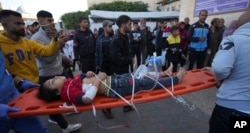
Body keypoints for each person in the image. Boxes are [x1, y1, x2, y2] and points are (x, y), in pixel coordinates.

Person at [31, 10, 82, 133]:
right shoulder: (36, 39)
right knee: (52, 104)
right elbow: (47, 59)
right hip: (48, 75)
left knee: (65, 92)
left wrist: (65, 57)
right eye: (49, 21)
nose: (52, 23)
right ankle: (64, 127)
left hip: (59, 70)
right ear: (40, 22)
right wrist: (58, 44)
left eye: (52, 20)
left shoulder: (52, 34)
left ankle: (61, 112)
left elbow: (57, 52)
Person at [38, 64, 186, 105]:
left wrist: (88, 74)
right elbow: (87, 99)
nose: (56, 76)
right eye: (53, 81)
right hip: (116, 87)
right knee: (144, 83)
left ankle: (164, 73)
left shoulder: (68, 84)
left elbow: (82, 80)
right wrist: (97, 80)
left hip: (114, 81)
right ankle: (175, 79)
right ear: (57, 92)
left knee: (140, 75)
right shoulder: (68, 93)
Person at [0, 10, 49, 133]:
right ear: (5, 25)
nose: (22, 27)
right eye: (18, 24)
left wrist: (19, 81)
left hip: (15, 102)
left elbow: (4, 71)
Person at [209, 11, 250, 133]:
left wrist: (217, 78)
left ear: (237, 26)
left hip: (232, 108)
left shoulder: (233, 40)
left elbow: (220, 69)